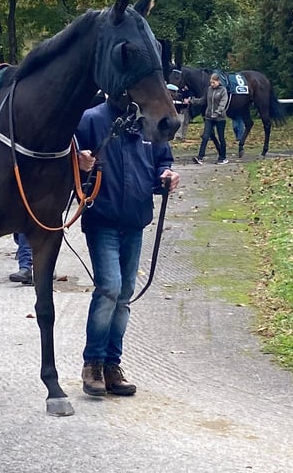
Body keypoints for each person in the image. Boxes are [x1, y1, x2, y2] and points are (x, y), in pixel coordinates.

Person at [76, 92, 180, 397]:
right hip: (102, 219)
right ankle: (92, 363)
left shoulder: (149, 121)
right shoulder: (91, 120)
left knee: (123, 295)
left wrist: (168, 175)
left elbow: (163, 160)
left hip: (135, 221)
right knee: (109, 287)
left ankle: (111, 365)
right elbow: (67, 164)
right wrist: (80, 165)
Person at [190, 72, 229, 165]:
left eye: (213, 83)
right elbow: (203, 100)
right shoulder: (209, 90)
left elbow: (223, 103)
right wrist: (192, 101)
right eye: (211, 82)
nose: (212, 84)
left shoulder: (223, 90)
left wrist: (217, 113)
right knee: (205, 136)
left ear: (218, 82)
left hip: (220, 118)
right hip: (209, 117)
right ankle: (200, 157)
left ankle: (223, 157)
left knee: (221, 138)